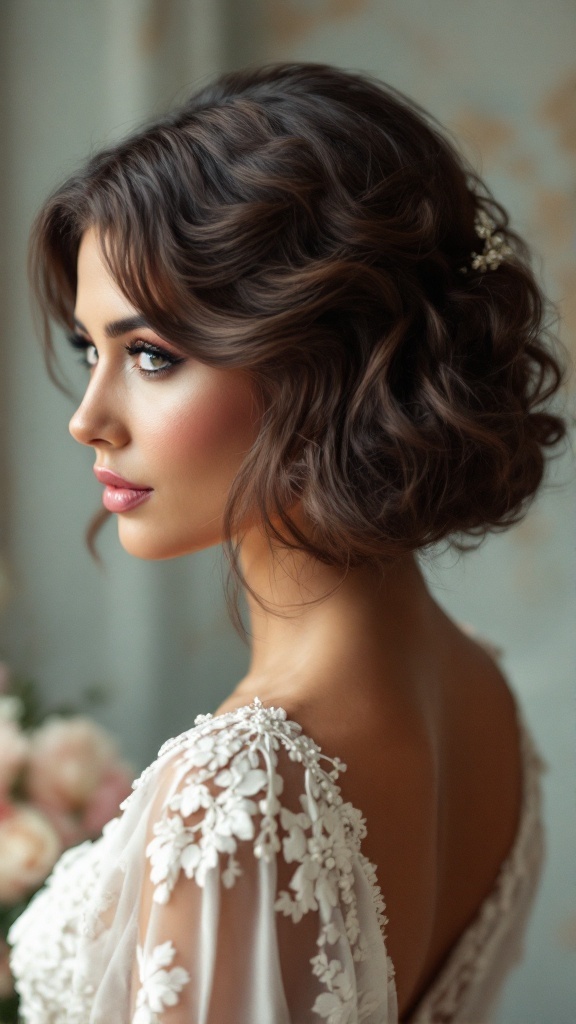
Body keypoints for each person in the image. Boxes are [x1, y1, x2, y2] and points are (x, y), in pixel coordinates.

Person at [7, 61, 567, 1023]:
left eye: (151, 356)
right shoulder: (482, 693)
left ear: (326, 360)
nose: (88, 418)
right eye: (88, 350)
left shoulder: (235, 792)